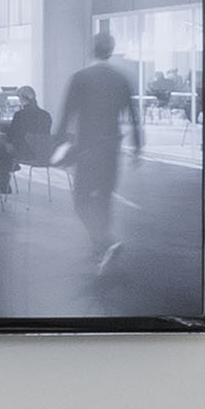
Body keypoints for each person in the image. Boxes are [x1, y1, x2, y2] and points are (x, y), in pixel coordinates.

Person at [59, 24, 144, 272]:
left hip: (87, 147)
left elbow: (67, 113)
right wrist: (138, 147)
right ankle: (101, 249)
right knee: (104, 199)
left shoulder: (80, 78)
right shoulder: (121, 79)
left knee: (81, 200)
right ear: (111, 50)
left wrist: (58, 144)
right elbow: (133, 115)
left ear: (91, 49)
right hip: (111, 147)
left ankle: (105, 242)